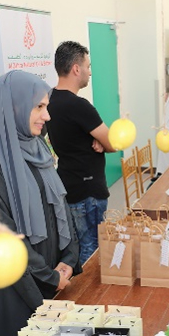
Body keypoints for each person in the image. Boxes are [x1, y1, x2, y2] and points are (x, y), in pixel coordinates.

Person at [0, 70, 81, 336]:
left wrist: (68, 258)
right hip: (19, 287)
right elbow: (3, 236)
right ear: (14, 107)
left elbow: (59, 202)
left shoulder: (37, 144)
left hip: (53, 272)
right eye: (39, 107)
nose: (47, 116)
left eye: (46, 106)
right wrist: (49, 277)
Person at [46, 41, 117, 266]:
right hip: (88, 192)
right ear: (76, 69)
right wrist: (102, 142)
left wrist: (98, 140)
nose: (90, 72)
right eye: (88, 66)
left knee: (77, 246)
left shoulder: (48, 100)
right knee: (91, 249)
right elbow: (113, 143)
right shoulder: (79, 105)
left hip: (68, 185)